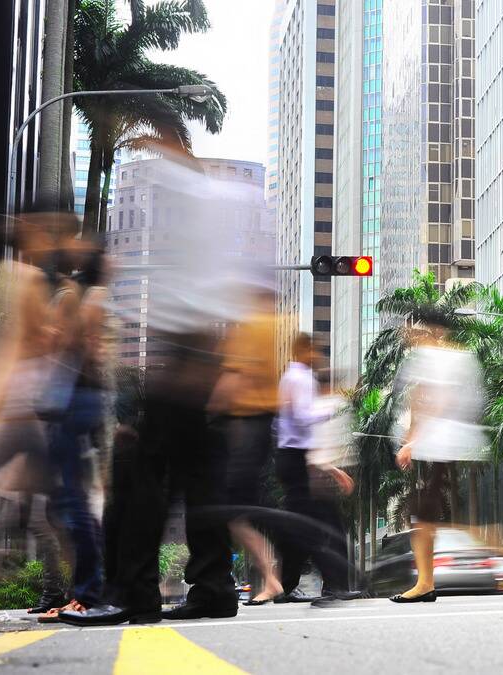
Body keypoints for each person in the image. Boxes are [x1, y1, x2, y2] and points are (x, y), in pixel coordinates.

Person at [61, 133, 250, 626]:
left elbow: (189, 284)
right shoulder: (227, 199)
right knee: (200, 479)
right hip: (201, 346)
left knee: (142, 473)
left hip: (186, 346)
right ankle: (212, 587)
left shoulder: (189, 193)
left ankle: (133, 593)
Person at [0, 207, 67, 614]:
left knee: (47, 514)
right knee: (46, 515)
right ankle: (58, 591)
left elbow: (37, 342)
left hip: (29, 413)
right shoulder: (20, 276)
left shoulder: (30, 279)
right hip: (24, 412)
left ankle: (63, 591)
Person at [38, 238, 110, 621]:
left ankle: (86, 592)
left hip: (74, 399)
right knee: (76, 500)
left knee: (75, 502)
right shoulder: (91, 296)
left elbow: (64, 343)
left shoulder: (76, 297)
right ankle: (85, 590)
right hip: (84, 399)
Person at [390, 320, 486, 603]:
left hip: (443, 443)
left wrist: (413, 442)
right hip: (442, 444)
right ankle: (425, 583)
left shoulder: (438, 359)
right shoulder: (448, 357)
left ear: (434, 331)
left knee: (421, 517)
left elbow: (441, 403)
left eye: (417, 331)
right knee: (423, 516)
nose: (410, 336)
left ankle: (425, 583)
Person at [273, 333, 360, 605]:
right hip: (297, 457)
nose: (319, 356)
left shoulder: (295, 377)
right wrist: (331, 410)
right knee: (316, 524)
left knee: (309, 524)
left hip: (294, 457)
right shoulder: (299, 378)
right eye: (315, 350)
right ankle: (334, 585)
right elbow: (301, 417)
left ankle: (293, 585)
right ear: (303, 350)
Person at [211, 286, 283, 606]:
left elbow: (233, 379)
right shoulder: (274, 326)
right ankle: (269, 578)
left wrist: (210, 410)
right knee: (236, 514)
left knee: (233, 514)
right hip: (259, 426)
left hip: (244, 427)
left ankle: (270, 578)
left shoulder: (251, 327)